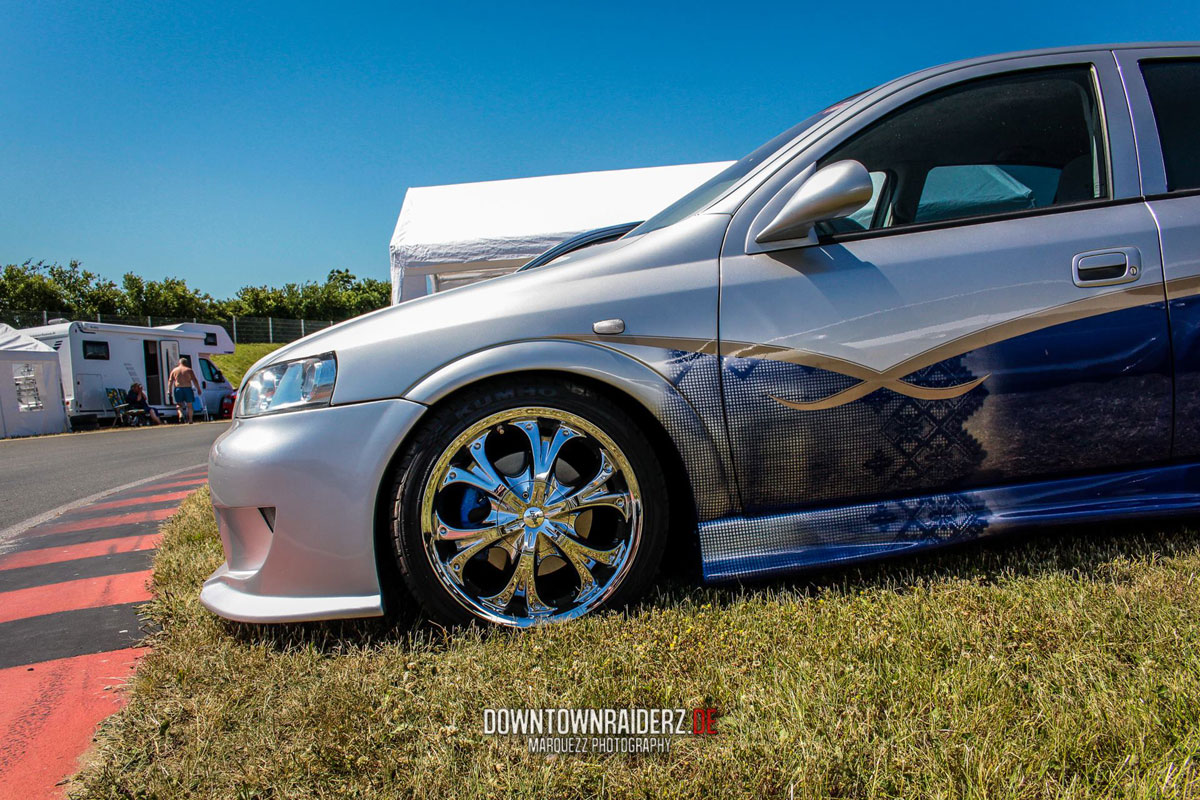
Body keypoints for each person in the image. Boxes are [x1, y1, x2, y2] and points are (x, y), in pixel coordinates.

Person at [167, 356, 203, 424]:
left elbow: (170, 381)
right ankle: (190, 420)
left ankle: (180, 414)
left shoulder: (174, 370)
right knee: (189, 405)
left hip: (178, 388)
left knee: (179, 404)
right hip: (187, 388)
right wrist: (198, 389)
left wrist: (169, 390)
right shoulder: (189, 370)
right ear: (186, 363)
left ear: (179, 363)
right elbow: (194, 380)